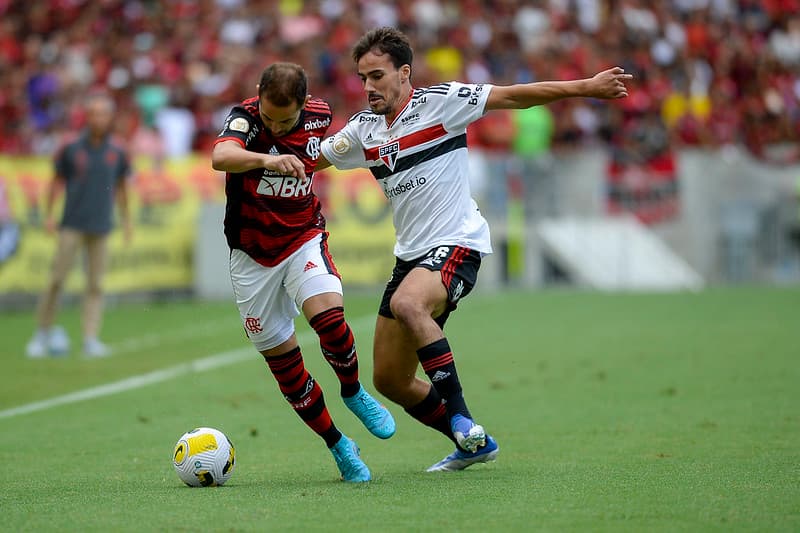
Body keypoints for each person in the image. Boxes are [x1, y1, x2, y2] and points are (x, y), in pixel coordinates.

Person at [316, 27, 631, 472]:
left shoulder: (442, 102)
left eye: (377, 75)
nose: (368, 86)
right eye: (362, 78)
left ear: (404, 73)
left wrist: (587, 87)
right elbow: (312, 158)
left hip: (458, 243)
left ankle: (461, 415)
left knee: (409, 303)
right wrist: (257, 152)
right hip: (411, 256)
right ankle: (472, 443)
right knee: (389, 379)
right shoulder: (362, 131)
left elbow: (515, 96)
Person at [210, 62, 395, 483]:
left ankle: (353, 392)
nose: (276, 127)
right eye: (269, 117)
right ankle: (339, 445)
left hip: (302, 239)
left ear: (303, 104)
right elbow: (221, 156)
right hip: (252, 257)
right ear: (259, 94)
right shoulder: (245, 118)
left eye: (286, 119)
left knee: (330, 319)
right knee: (287, 368)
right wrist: (266, 161)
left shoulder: (321, 114)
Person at [26, 92, 133, 359]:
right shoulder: (71, 147)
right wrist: (49, 214)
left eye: (104, 114)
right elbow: (55, 181)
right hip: (71, 224)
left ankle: (90, 338)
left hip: (102, 225)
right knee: (56, 280)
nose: (99, 119)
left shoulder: (117, 151)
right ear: (87, 117)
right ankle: (41, 334)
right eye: (95, 113)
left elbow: (121, 188)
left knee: (95, 285)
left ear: (110, 118)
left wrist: (127, 220)